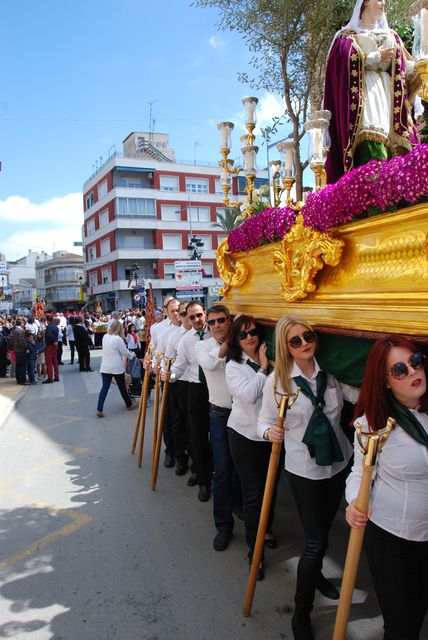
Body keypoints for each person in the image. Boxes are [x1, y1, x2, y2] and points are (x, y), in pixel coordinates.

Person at [258, 314, 359, 640]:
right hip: (305, 472)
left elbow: (357, 396)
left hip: (338, 464)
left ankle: (314, 575)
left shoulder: (332, 374)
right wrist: (269, 431)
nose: (304, 343)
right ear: (285, 347)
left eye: (308, 336)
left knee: (324, 530)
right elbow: (263, 421)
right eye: (295, 340)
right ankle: (301, 612)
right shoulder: (279, 381)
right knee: (315, 542)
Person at [345, 336, 428, 640]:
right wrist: (354, 501)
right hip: (394, 541)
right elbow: (358, 473)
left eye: (416, 361)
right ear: (385, 382)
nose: (413, 371)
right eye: (399, 370)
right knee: (403, 627)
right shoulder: (372, 425)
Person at [324, 0, 420, 184]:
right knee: (372, 147)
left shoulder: (391, 35)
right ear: (366, 2)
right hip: (365, 97)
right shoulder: (347, 37)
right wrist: (375, 57)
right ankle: (371, 197)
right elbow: (341, 64)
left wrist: (419, 69)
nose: (383, 3)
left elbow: (404, 66)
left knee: (397, 150)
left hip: (390, 99)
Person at [225, 314, 275, 581]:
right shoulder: (233, 365)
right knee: (253, 496)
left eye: (253, 332)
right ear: (236, 339)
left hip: (270, 437)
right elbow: (248, 395)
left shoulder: (272, 356)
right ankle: (254, 553)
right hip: (244, 435)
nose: (249, 338)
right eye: (242, 335)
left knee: (272, 487)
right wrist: (264, 368)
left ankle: (265, 529)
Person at [195, 304, 242, 552]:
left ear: (229, 321)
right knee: (222, 470)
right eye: (211, 322)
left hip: (245, 414)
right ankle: (224, 526)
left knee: (244, 471)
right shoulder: (202, 346)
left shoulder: (242, 342)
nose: (216, 326)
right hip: (220, 415)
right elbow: (212, 365)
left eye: (221, 321)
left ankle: (245, 511)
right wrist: (234, 339)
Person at [163, 301, 212, 502]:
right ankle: (203, 480)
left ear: (205, 314)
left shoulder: (216, 332)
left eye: (199, 315)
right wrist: (169, 375)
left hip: (218, 389)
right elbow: (179, 367)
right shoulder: (185, 341)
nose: (196, 320)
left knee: (218, 437)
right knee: (197, 436)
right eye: (191, 317)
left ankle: (216, 472)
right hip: (195, 389)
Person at [96, 320, 137, 417]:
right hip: (116, 367)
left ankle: (99, 409)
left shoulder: (105, 336)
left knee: (105, 387)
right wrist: (132, 355)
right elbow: (125, 353)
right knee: (122, 387)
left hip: (105, 366)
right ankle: (129, 404)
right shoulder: (118, 339)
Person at [43, 314, 60, 384]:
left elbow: (49, 335)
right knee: (55, 362)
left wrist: (53, 342)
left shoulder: (49, 327)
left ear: (47, 320)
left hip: (50, 345)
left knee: (49, 363)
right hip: (54, 345)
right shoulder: (55, 327)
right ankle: (57, 376)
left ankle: (50, 378)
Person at [12, 319, 29, 385]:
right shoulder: (21, 331)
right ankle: (22, 380)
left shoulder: (14, 330)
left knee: (18, 366)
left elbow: (12, 340)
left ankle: (18, 379)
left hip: (16, 349)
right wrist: (26, 347)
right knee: (22, 366)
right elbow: (22, 341)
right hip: (21, 350)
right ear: (21, 323)